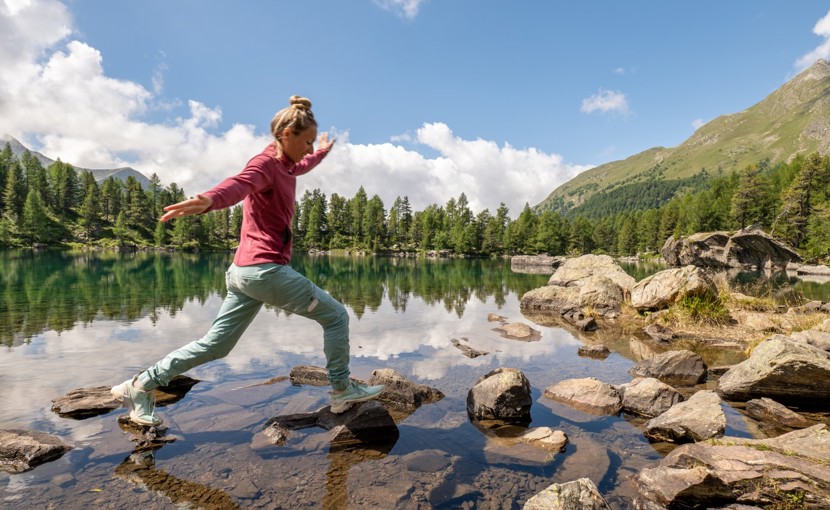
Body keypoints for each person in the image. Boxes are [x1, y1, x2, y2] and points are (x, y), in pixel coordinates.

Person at [111, 96, 384, 426]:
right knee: (337, 317)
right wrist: (211, 199)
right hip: (265, 271)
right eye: (307, 140)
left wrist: (321, 152)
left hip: (242, 273)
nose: (308, 147)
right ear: (286, 134)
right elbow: (240, 184)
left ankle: (139, 386)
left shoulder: (285, 165)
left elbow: (302, 165)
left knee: (216, 345)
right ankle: (342, 390)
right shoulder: (266, 164)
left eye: (313, 141)